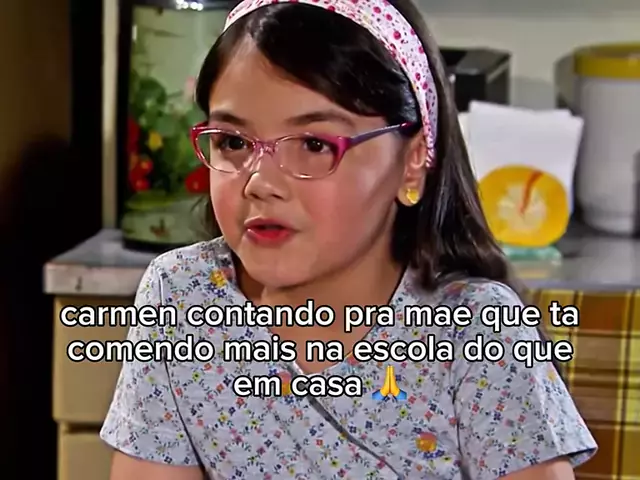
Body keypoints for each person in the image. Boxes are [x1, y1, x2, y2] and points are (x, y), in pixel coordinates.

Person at [100, 0, 598, 478]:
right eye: (233, 142)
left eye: (314, 144)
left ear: (412, 162)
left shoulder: (475, 332)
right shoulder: (182, 295)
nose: (260, 182)